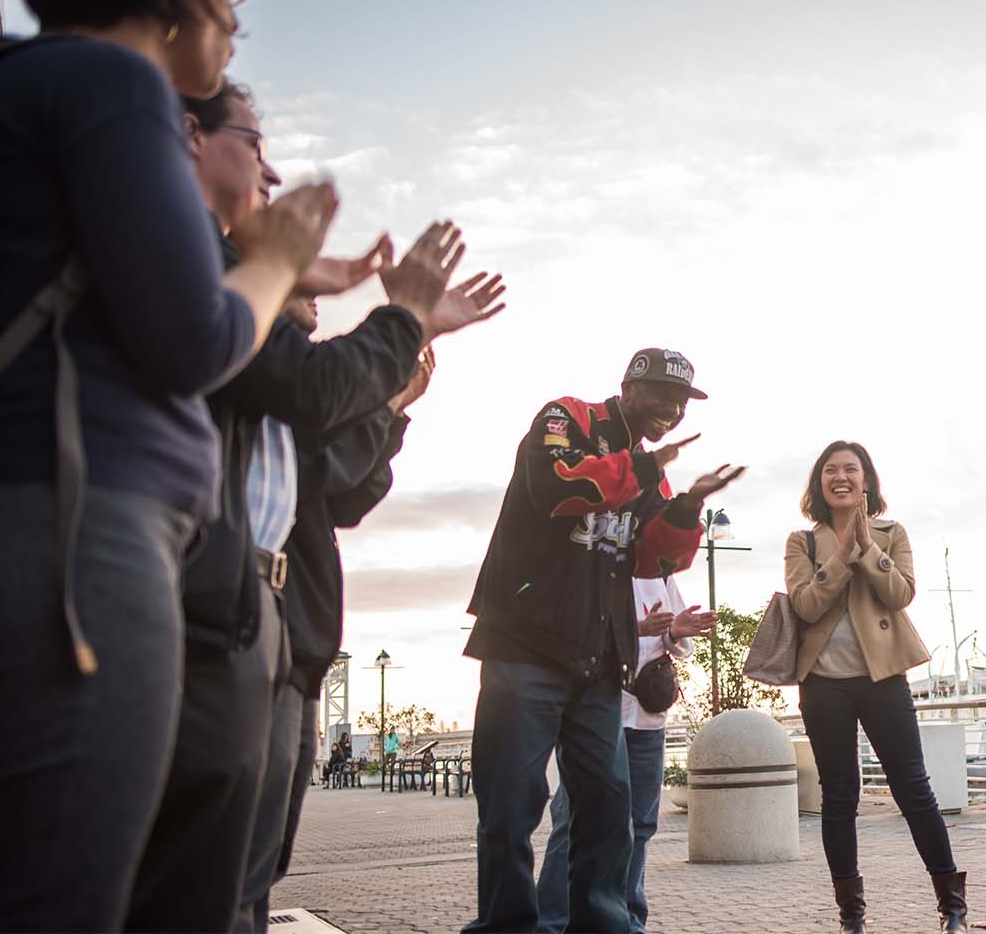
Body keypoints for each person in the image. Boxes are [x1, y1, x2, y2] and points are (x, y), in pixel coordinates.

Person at [0, 0, 334, 929]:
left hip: (21, 526)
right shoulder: (115, 87)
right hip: (78, 542)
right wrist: (275, 258)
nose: (233, 19)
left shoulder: (9, 88)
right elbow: (193, 339)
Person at [127, 78, 505, 932]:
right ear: (191, 136)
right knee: (198, 877)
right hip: (203, 612)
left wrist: (392, 400)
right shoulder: (192, 272)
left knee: (248, 869)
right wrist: (403, 314)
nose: (271, 174)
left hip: (271, 627)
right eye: (256, 146)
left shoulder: (239, 302)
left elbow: (339, 488)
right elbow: (319, 389)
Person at [462, 349, 743, 934]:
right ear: (628, 387)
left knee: (609, 809)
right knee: (510, 810)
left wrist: (688, 503)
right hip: (523, 645)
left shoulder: (651, 471)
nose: (671, 409)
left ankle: (603, 926)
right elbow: (558, 491)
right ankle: (508, 927)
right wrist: (645, 470)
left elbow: (653, 560)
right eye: (661, 394)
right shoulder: (567, 419)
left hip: (597, 660)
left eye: (681, 401)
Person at [264, 336, 437, 915]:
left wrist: (393, 418)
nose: (316, 307)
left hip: (301, 643)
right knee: (231, 855)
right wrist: (386, 408)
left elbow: (348, 496)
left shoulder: (295, 406)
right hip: (255, 630)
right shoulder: (266, 376)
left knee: (265, 853)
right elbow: (323, 472)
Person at [785, 441, 968, 934]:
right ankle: (851, 914)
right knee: (839, 796)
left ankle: (952, 904)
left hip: (883, 679)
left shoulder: (891, 533)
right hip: (823, 685)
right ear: (818, 483)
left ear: (867, 481)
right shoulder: (802, 542)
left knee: (914, 788)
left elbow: (901, 593)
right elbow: (804, 606)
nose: (840, 477)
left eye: (851, 469)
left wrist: (866, 549)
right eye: (830, 470)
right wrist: (841, 556)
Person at [535, 574, 713, 933]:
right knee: (572, 821)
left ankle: (628, 921)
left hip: (647, 718)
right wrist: (637, 629)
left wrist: (675, 633)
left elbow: (680, 645)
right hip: (593, 718)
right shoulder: (589, 565)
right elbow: (569, 635)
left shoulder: (660, 572)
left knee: (640, 825)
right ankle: (552, 924)